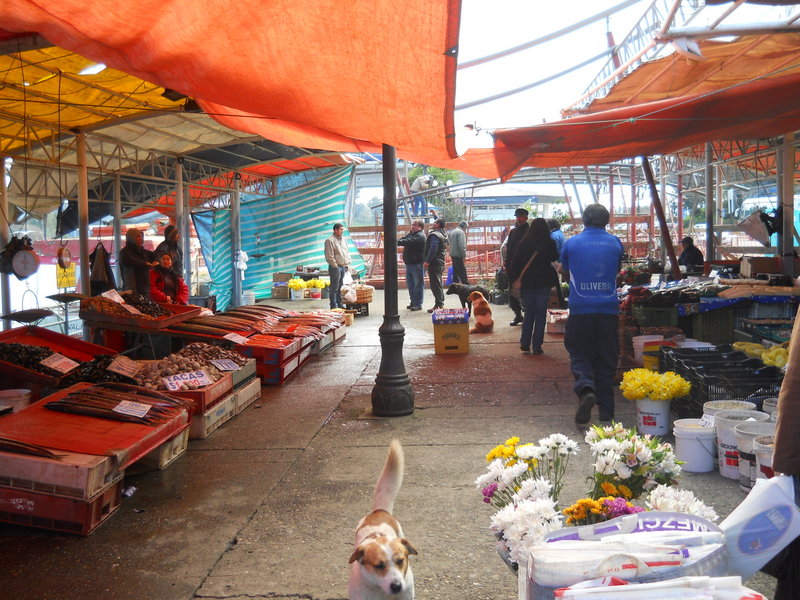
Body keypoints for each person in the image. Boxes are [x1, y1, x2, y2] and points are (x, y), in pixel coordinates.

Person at [559, 204, 624, 427]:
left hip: (580, 309)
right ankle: (606, 410)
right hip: (608, 309)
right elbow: (616, 270)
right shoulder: (615, 243)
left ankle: (586, 387)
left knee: (579, 351)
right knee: (607, 357)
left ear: (584, 220)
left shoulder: (571, 243)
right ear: (606, 221)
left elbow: (565, 272)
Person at [512, 218, 559, 355]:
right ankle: (537, 346)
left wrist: (518, 277)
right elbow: (554, 256)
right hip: (543, 283)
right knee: (540, 316)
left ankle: (525, 343)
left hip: (527, 283)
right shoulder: (549, 243)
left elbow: (515, 263)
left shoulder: (524, 243)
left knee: (529, 314)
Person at [504, 208, 530, 326]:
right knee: (513, 293)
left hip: (527, 269)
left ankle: (529, 316)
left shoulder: (530, 232)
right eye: (517, 216)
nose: (519, 218)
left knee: (527, 293)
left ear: (526, 217)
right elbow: (509, 250)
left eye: (522, 216)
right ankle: (518, 315)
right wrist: (506, 265)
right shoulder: (513, 232)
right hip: (512, 268)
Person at [118, 228, 158, 296]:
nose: (141, 239)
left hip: (145, 288)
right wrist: (145, 263)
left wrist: (156, 261)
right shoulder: (125, 252)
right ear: (131, 238)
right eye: (138, 236)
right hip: (132, 289)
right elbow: (130, 261)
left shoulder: (142, 251)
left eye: (141, 236)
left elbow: (155, 255)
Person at [397, 219, 426, 311]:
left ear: (420, 227)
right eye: (412, 224)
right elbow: (403, 240)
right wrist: (397, 241)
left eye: (414, 225)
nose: (412, 226)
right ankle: (413, 302)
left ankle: (418, 303)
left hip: (417, 264)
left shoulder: (420, 236)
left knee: (417, 284)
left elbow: (406, 241)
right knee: (411, 285)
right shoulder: (412, 234)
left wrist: (394, 241)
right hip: (410, 263)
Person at [324, 223, 351, 310]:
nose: (342, 231)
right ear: (335, 230)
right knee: (334, 287)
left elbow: (347, 252)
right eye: (340, 229)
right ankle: (333, 305)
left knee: (340, 287)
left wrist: (347, 264)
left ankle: (340, 303)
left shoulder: (343, 240)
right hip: (335, 267)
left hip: (343, 266)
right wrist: (335, 266)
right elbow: (329, 256)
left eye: (343, 230)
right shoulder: (330, 240)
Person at [423, 217, 448, 312]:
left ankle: (439, 305)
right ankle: (438, 305)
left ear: (438, 225)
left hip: (434, 263)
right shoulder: (443, 234)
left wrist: (427, 261)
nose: (433, 223)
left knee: (435, 284)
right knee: (438, 283)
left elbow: (433, 248)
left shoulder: (434, 235)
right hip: (440, 262)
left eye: (435, 222)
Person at [547, 218, 567, 308]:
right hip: (561, 261)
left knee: (554, 285)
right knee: (558, 284)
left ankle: (555, 302)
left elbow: (552, 251)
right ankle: (560, 301)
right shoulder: (561, 234)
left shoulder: (553, 236)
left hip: (555, 262)